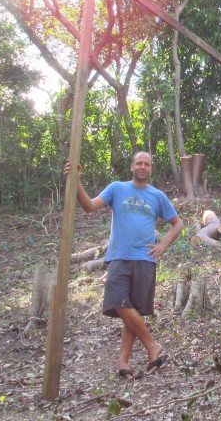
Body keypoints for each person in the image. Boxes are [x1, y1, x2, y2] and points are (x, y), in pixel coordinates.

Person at [65, 152, 183, 380]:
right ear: (132, 166)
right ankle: (153, 345)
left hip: (145, 259)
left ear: (150, 168)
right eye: (139, 163)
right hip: (119, 256)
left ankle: (123, 361)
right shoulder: (117, 188)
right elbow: (89, 206)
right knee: (118, 302)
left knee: (133, 311)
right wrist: (76, 181)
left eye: (146, 164)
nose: (142, 166)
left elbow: (177, 223)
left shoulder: (157, 196)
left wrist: (164, 245)